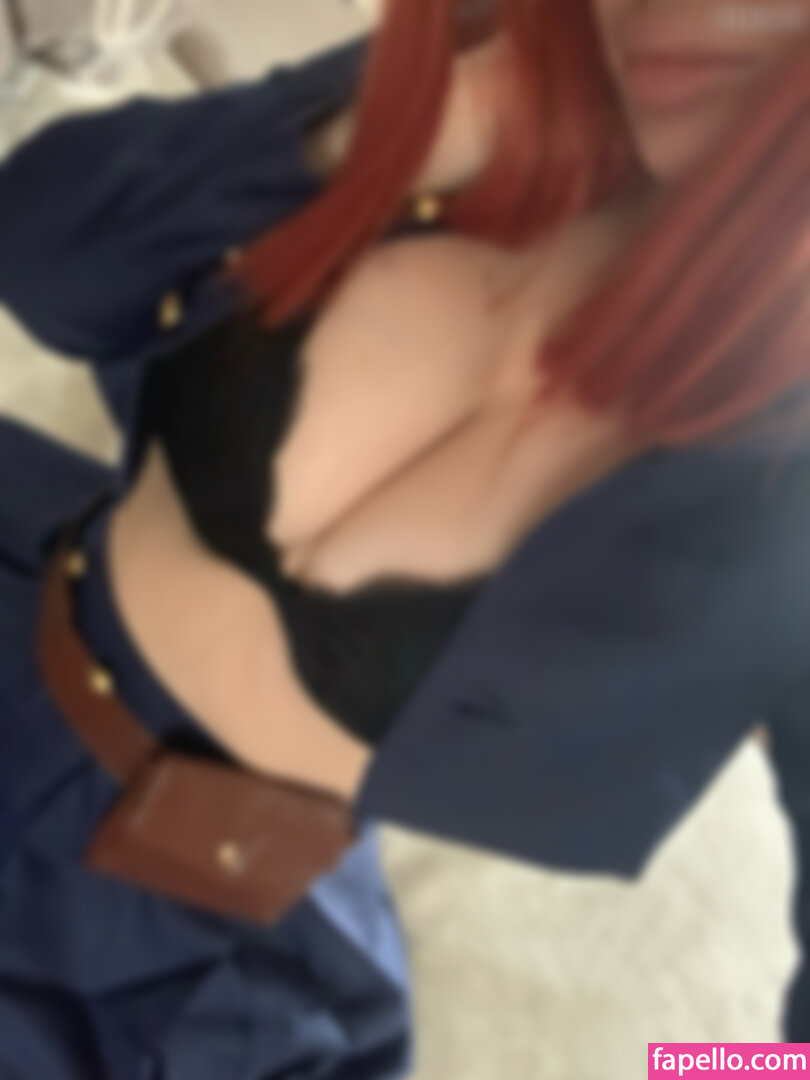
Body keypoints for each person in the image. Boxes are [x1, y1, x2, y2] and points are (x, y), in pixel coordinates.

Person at [0, 1, 807, 1076]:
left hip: (162, 965)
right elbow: (41, 243)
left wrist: (697, 1067)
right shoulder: (501, 65)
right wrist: (432, 117)